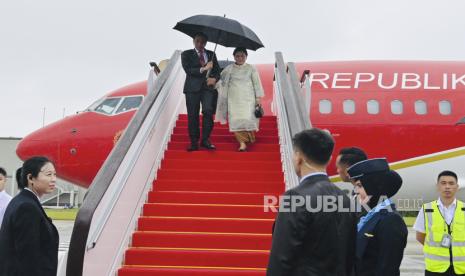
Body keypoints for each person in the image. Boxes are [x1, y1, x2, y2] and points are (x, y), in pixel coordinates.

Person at [267, 128, 356, 276]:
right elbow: (349, 257)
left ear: (298, 157)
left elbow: (281, 258)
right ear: (329, 159)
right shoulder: (345, 199)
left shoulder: (296, 198)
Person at [347, 158, 408, 276]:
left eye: (359, 186)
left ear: (373, 186)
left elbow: (387, 268)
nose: (356, 192)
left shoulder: (391, 220)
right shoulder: (370, 216)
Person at [0, 156, 59, 275]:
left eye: (54, 174)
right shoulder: (27, 207)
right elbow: (27, 258)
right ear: (31, 178)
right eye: (48, 174)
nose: (54, 179)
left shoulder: (23, 201)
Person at [413, 170, 465, 276]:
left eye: (451, 183)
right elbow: (420, 236)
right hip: (435, 269)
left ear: (457, 187)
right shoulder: (426, 209)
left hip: (461, 269)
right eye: (443, 183)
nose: (447, 187)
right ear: (437, 186)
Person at [215, 47, 264, 151]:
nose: (240, 58)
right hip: (234, 99)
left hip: (248, 99)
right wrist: (213, 81)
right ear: (234, 57)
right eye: (237, 56)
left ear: (246, 57)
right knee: (236, 120)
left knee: (248, 119)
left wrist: (258, 98)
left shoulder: (251, 68)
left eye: (242, 56)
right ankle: (242, 144)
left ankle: (248, 138)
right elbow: (221, 80)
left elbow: (257, 84)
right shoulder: (229, 69)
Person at [181, 32, 221, 151]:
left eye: (203, 41)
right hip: (192, 89)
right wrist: (204, 68)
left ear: (206, 43)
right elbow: (188, 70)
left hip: (207, 88)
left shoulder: (211, 54)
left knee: (208, 111)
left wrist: (214, 78)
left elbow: (217, 71)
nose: (200, 44)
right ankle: (194, 142)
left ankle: (205, 140)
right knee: (193, 115)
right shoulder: (186, 54)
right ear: (194, 41)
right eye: (198, 41)